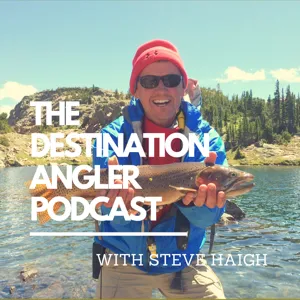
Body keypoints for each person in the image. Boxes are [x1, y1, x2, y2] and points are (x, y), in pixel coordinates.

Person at [92, 39, 228, 299]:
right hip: (123, 259)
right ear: (136, 90)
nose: (161, 88)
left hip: (184, 259)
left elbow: (209, 219)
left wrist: (201, 205)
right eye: (150, 81)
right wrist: (120, 206)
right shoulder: (110, 138)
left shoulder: (208, 141)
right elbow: (106, 209)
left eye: (171, 79)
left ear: (182, 87)